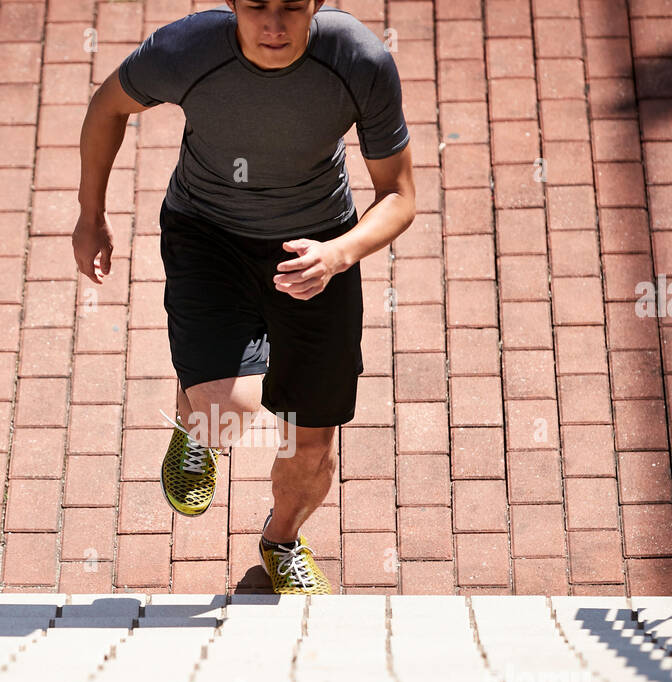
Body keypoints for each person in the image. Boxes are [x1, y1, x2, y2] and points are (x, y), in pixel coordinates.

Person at [72, 0, 415, 594]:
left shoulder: (360, 59)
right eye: (256, 5)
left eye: (291, 7)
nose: (274, 25)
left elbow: (400, 194)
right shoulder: (188, 50)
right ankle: (195, 430)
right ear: (233, 3)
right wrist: (90, 214)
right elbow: (108, 107)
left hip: (316, 247)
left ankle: (280, 542)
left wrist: (339, 254)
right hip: (208, 234)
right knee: (224, 409)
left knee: (312, 446)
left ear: (316, 3)